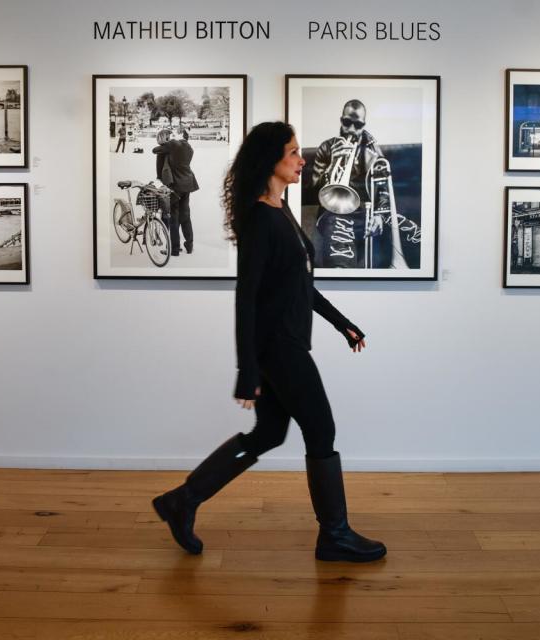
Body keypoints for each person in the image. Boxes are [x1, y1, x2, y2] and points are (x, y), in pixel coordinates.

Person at [152, 121, 386, 563]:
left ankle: (182, 500)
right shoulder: (261, 218)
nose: (302, 159)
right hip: (280, 346)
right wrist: (248, 371)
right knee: (321, 430)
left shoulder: (280, 211)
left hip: (287, 341)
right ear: (271, 161)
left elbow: (299, 286)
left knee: (270, 433)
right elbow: (248, 298)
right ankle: (334, 534)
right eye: (293, 152)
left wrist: (343, 324)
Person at [310, 99, 388, 268]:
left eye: (358, 125)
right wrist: (331, 167)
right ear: (341, 120)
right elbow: (313, 191)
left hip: (364, 212)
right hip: (334, 212)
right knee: (340, 260)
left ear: (364, 125)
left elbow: (383, 186)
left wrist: (379, 215)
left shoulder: (372, 150)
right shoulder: (326, 147)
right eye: (347, 123)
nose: (351, 129)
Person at [153, 129, 199, 256]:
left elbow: (154, 150)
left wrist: (163, 144)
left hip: (176, 186)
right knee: (186, 216)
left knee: (174, 217)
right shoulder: (188, 147)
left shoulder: (173, 144)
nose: (171, 136)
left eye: (173, 134)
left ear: (178, 135)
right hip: (188, 184)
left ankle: (174, 249)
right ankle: (189, 246)